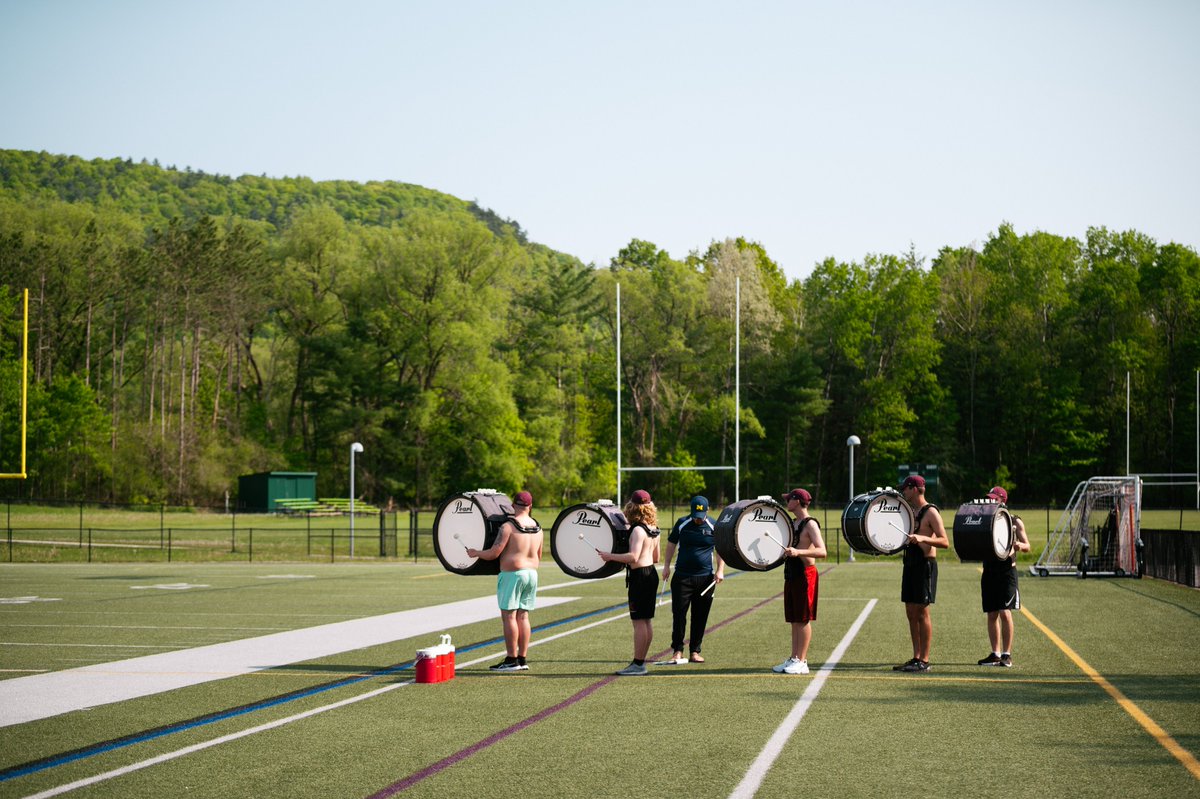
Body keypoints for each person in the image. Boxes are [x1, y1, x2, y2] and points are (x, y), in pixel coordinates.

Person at [466, 490, 543, 672]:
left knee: (509, 616)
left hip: (513, 574)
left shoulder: (508, 526)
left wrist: (476, 552)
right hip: (532, 574)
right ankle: (522, 659)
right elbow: (539, 555)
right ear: (530, 506)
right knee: (523, 616)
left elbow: (494, 553)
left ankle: (511, 660)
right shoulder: (538, 527)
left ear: (513, 506)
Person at [599, 489, 661, 676]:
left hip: (640, 577)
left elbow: (633, 557)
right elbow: (656, 558)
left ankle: (638, 663)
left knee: (638, 622)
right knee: (646, 620)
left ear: (631, 507)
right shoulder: (654, 530)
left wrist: (609, 556)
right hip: (651, 574)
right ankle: (640, 661)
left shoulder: (638, 530)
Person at [893, 474, 948, 673]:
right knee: (910, 612)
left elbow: (945, 541)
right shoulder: (909, 511)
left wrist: (922, 539)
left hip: (925, 564)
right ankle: (915, 656)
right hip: (910, 563)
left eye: (905, 488)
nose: (903, 491)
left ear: (914, 488)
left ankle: (924, 659)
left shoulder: (931, 512)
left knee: (923, 612)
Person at [661, 495, 724, 664]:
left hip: (705, 579)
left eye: (700, 517)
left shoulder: (713, 525)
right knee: (679, 615)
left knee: (700, 616)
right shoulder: (682, 523)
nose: (698, 520)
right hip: (682, 577)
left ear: (707, 511)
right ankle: (677, 650)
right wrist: (666, 566)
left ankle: (695, 651)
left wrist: (720, 570)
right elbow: (671, 544)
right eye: (695, 517)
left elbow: (720, 550)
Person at [772, 488, 827, 675]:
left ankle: (802, 661)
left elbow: (822, 551)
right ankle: (794, 658)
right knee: (794, 619)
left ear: (797, 501)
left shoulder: (810, 524)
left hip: (806, 574)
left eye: (789, 499)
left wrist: (799, 552)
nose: (787, 502)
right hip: (792, 573)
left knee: (803, 619)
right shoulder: (792, 523)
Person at [977, 486, 1031, 668]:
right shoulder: (984, 520)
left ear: (1002, 501)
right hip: (989, 570)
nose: (991, 502)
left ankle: (1007, 655)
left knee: (1004, 612)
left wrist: (1016, 545)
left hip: (1007, 571)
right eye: (989, 499)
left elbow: (1027, 545)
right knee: (991, 613)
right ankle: (995, 653)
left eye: (994, 499)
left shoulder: (1015, 520)